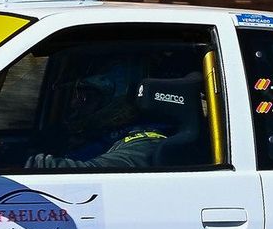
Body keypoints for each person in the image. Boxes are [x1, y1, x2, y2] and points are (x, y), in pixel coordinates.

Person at [24, 62, 171, 169]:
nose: (74, 104)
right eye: (72, 95)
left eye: (83, 96)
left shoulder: (146, 145)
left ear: (117, 96)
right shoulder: (93, 135)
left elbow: (86, 174)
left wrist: (17, 167)